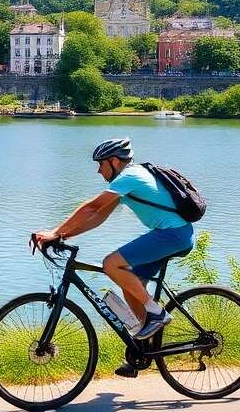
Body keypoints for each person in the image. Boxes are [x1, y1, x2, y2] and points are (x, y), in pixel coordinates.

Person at [29, 138, 194, 378]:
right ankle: (142, 348)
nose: (98, 170)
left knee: (111, 264)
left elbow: (91, 207)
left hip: (172, 235)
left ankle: (156, 313)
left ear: (114, 161)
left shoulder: (129, 177)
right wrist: (62, 236)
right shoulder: (127, 179)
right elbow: (98, 218)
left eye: (100, 164)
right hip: (169, 234)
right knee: (131, 281)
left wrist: (54, 232)